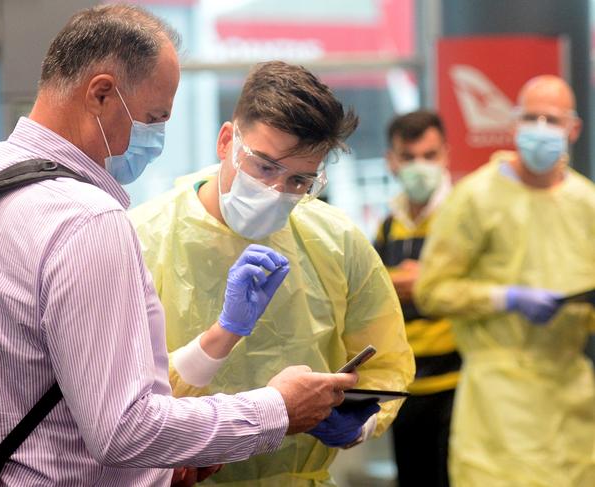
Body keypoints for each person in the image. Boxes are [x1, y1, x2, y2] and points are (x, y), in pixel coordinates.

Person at [0, 6, 360, 485]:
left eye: (300, 180)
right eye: (154, 118)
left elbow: (36, 388)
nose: (158, 140)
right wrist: (276, 409)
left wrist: (164, 471)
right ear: (102, 93)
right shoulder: (87, 220)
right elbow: (122, 431)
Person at [129, 60, 414, 487]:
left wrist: (360, 424)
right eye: (264, 166)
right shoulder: (140, 238)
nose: (276, 191)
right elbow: (122, 399)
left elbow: (387, 359)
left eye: (300, 181)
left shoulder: (335, 240)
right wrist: (219, 339)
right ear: (227, 141)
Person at [415, 75, 595, 487]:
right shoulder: (477, 196)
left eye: (553, 119)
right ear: (514, 125)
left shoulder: (586, 203)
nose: (541, 129)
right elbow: (431, 290)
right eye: (531, 117)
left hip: (572, 399)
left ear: (574, 129)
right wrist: (505, 298)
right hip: (499, 395)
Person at [373, 110, 457, 487]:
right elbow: (369, 290)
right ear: (391, 160)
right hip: (403, 388)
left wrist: (429, 281)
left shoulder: (462, 218)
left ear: (446, 156)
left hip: (457, 383)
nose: (419, 166)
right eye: (408, 157)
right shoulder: (388, 225)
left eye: (430, 155)